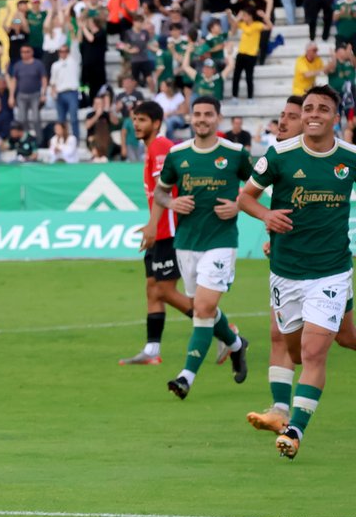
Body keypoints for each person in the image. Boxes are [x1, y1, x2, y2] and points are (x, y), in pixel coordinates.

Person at [238, 86, 356, 458]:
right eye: (308, 108)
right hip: (286, 272)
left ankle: (294, 430)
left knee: (313, 350)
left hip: (332, 271)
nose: (314, 113)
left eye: (323, 108)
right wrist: (267, 215)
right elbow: (245, 198)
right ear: (301, 114)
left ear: (336, 117)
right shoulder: (280, 155)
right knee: (299, 348)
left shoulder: (350, 158)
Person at [143, 96, 250, 400]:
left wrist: (238, 205)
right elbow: (161, 193)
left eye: (208, 114)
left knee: (202, 309)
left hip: (221, 241)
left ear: (219, 118)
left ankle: (185, 376)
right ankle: (237, 344)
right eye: (197, 114)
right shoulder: (178, 155)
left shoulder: (234, 154)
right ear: (190, 118)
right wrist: (172, 202)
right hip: (187, 243)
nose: (202, 119)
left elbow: (257, 185)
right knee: (205, 309)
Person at [124, 101, 196, 365]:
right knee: (152, 289)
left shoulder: (160, 147)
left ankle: (223, 330)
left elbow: (162, 192)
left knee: (165, 289)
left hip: (171, 230)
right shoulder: (152, 149)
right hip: (161, 228)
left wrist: (153, 227)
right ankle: (152, 351)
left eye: (142, 119)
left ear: (156, 123)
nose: (136, 124)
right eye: (134, 119)